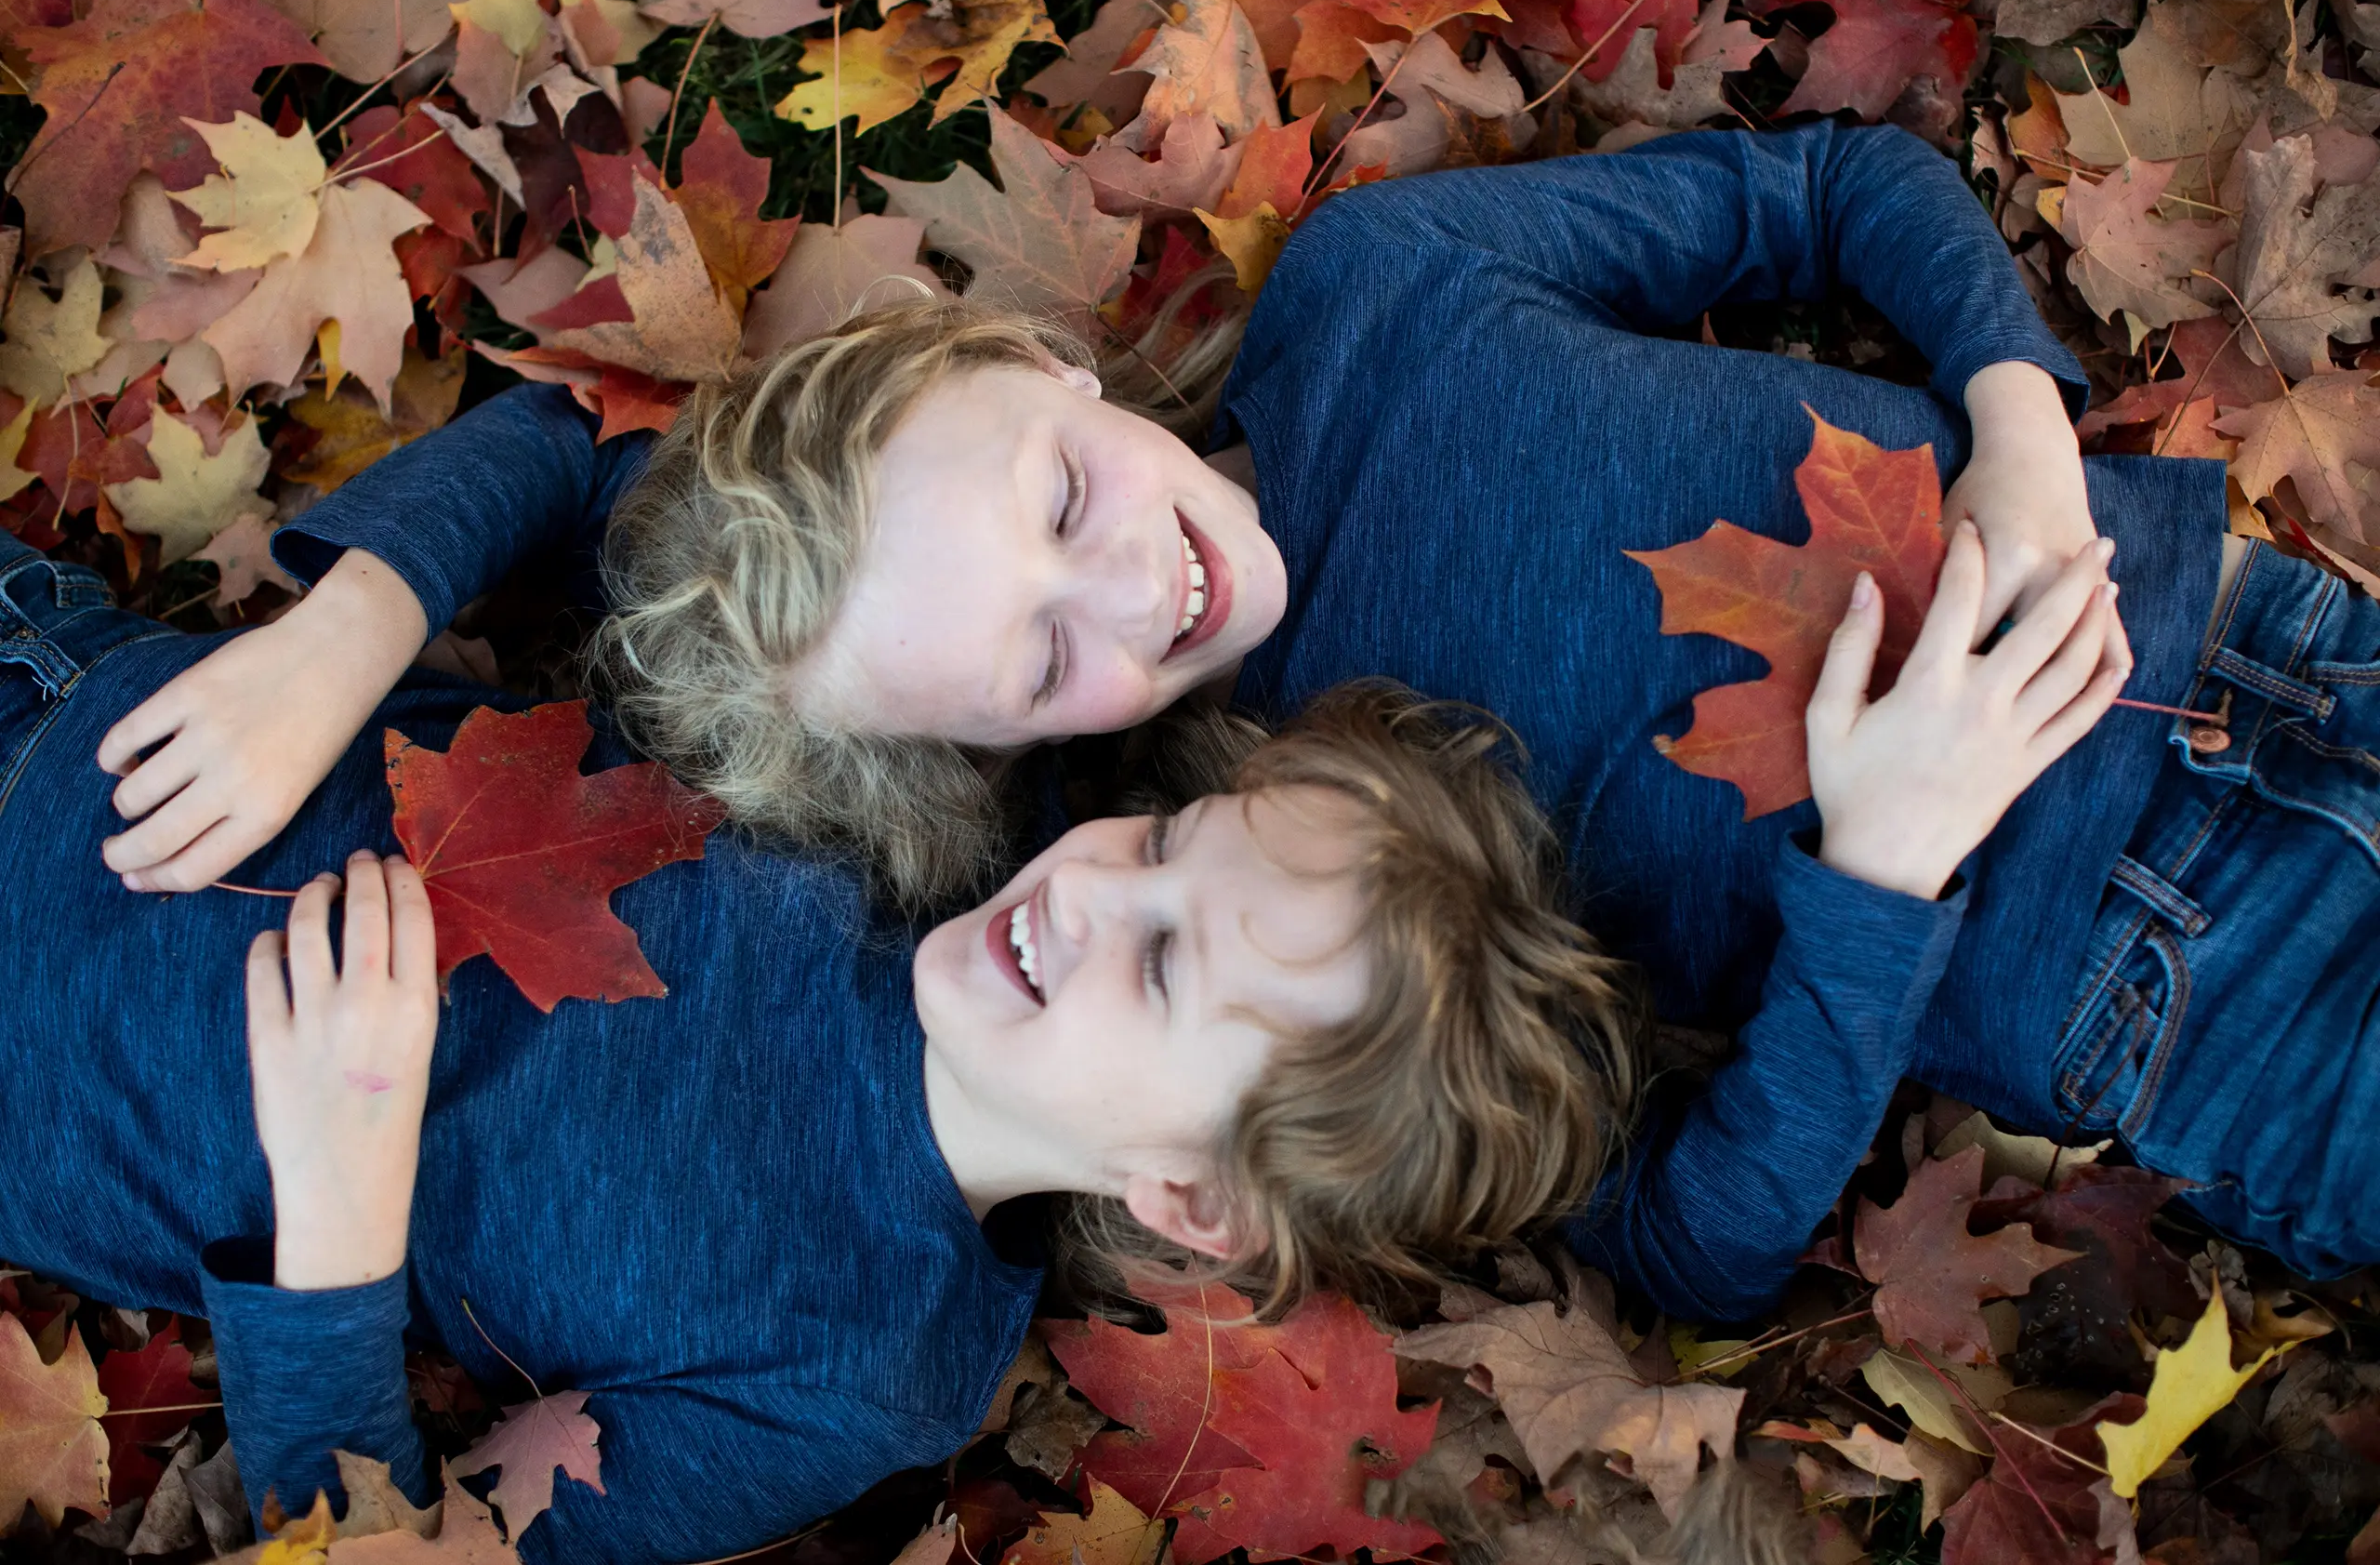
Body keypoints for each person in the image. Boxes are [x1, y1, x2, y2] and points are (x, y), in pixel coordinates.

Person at [91, 120, 2369, 1311]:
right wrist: (1878, 878)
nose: (1131, 588)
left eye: (1062, 496)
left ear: (1034, 368)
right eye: (1038, 661)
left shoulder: (1385, 292)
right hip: (2143, 975)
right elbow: (1675, 1244)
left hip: (2243, 614)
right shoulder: (1258, 857)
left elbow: (1822, 185)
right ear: (982, 760)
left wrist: (2010, 417)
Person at [0, 528, 1641, 1563]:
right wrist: (348, 628)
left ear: (1196, 1196)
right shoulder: (921, 782)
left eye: (1159, 971)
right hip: (55, 687)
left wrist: (341, 1224)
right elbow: (602, 474)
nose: (1083, 897)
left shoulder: (858, 1372)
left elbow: (389, 1549)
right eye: (1158, 848)